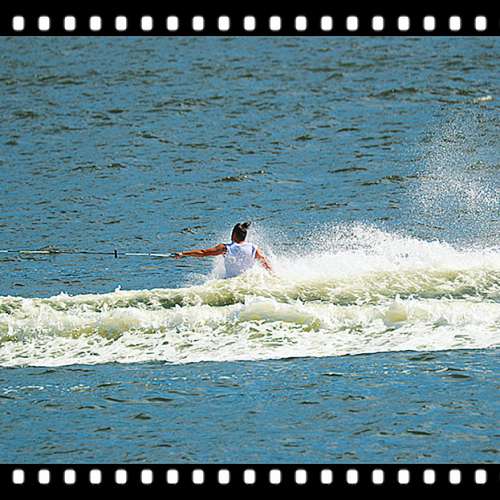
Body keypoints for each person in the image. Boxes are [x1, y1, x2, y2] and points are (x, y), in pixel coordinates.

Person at [173, 222, 272, 278]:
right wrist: (273, 276)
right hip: (247, 282)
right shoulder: (254, 248)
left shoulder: (225, 248)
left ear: (233, 234)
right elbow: (265, 263)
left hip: (231, 283)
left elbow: (203, 253)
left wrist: (183, 253)